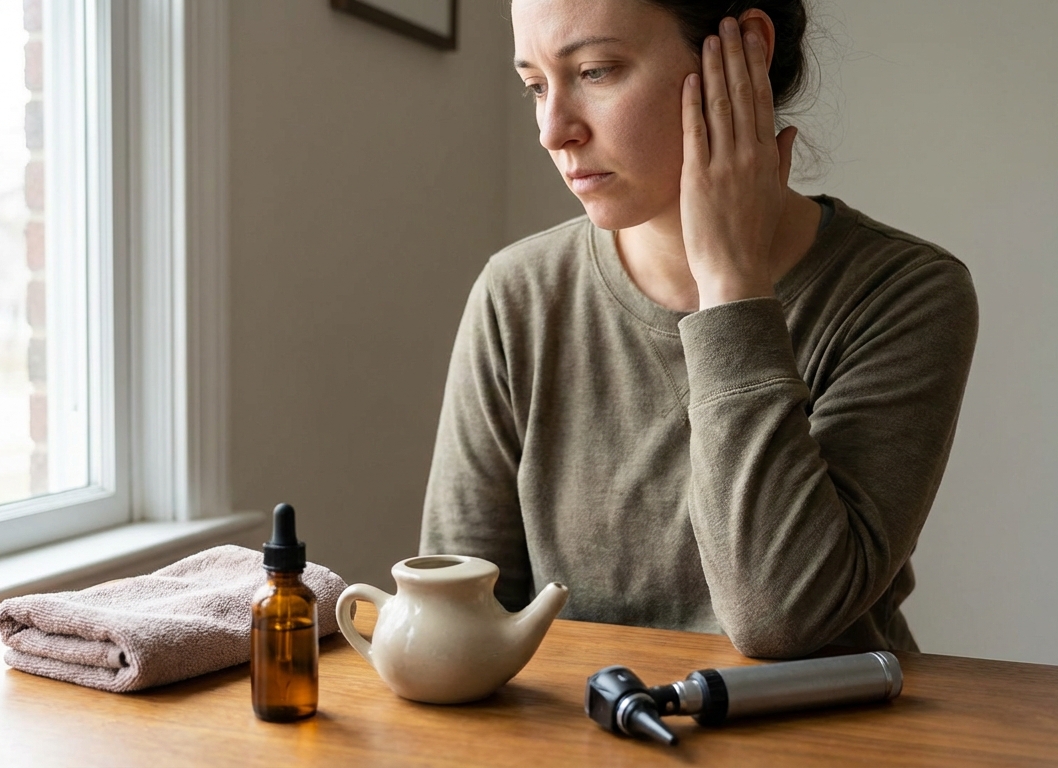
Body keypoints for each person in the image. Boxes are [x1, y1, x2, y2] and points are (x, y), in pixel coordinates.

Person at [419, 0, 979, 658]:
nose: (553, 129)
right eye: (536, 86)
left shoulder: (905, 292)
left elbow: (782, 617)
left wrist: (732, 287)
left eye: (596, 72)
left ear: (747, 49)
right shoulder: (519, 293)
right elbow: (455, 624)